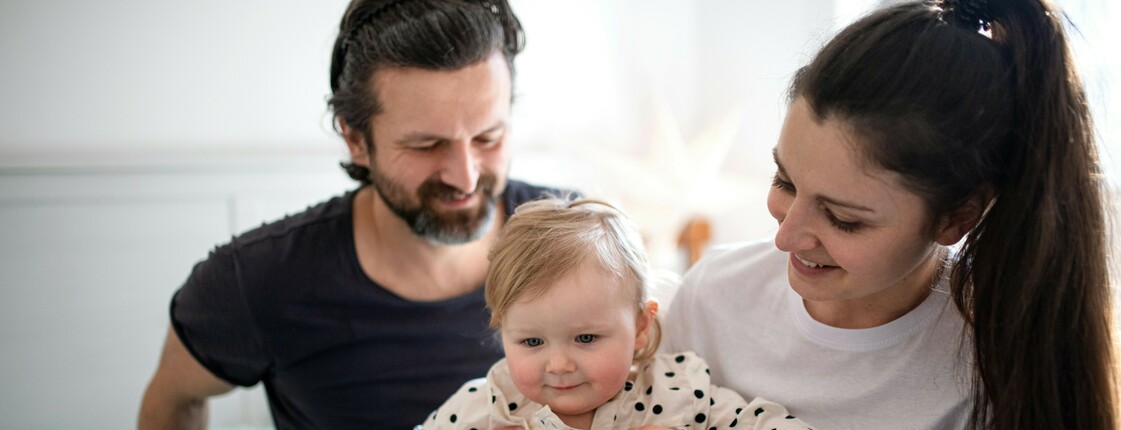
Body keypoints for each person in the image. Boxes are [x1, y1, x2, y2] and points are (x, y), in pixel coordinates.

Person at [663, 0, 1117, 429]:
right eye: (785, 181)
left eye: (843, 218)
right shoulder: (712, 298)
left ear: (956, 218)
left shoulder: (998, 368)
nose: (785, 238)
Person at [138, 1, 564, 428]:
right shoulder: (258, 280)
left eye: (488, 137)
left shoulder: (577, 241)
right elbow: (175, 398)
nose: (465, 177)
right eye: (426, 146)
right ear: (356, 139)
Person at [420, 197, 816, 430]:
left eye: (586, 338)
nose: (558, 364)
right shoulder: (486, 409)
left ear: (642, 325)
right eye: (532, 341)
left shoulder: (677, 391)